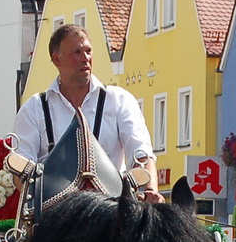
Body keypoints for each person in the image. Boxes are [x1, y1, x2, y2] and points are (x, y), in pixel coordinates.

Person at [12, 24, 160, 201]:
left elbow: (141, 153)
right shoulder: (34, 108)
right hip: (55, 213)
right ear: (56, 59)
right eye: (77, 52)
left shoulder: (119, 100)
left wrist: (149, 190)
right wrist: (37, 199)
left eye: (88, 51)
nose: (85, 58)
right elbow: (20, 169)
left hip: (110, 211)